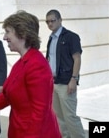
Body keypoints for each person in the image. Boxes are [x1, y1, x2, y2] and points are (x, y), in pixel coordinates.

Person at [0, 10, 61, 138]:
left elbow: (40, 112)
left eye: (8, 31)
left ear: (22, 34)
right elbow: (8, 95)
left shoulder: (37, 65)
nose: (4, 37)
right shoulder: (22, 62)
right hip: (19, 131)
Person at [45, 9, 85, 138]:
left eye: (53, 20)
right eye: (47, 22)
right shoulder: (51, 38)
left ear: (60, 20)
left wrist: (74, 79)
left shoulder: (71, 37)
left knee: (70, 116)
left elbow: (77, 58)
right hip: (53, 82)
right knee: (58, 117)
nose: (50, 24)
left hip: (66, 82)